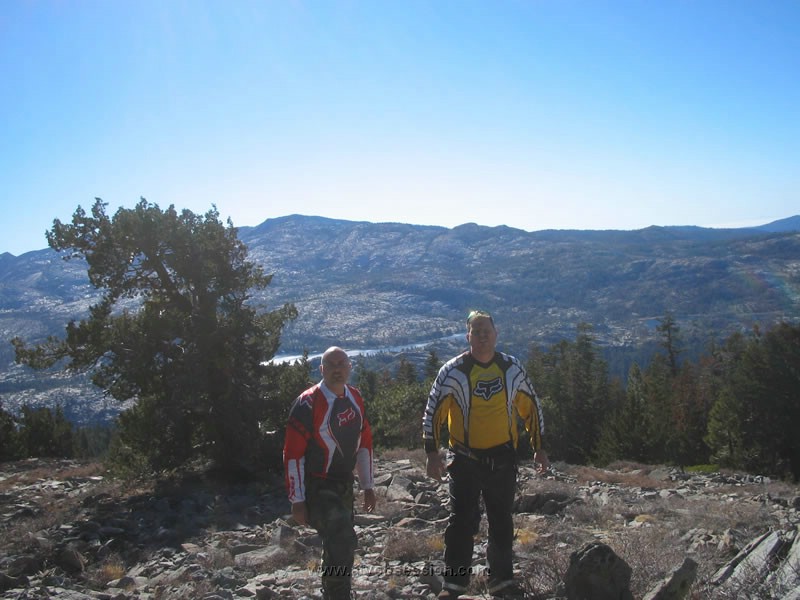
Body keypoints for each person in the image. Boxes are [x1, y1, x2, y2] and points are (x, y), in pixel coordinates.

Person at [423, 310, 549, 600]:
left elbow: (531, 408)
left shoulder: (511, 369)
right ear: (467, 336)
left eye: (486, 330)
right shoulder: (453, 371)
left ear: (496, 334)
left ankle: (501, 582)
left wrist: (539, 448)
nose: (482, 336)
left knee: (501, 520)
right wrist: (432, 454)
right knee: (461, 522)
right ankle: (453, 585)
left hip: (503, 459)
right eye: (476, 331)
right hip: (464, 459)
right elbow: (433, 414)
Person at [284, 346, 377, 600]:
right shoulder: (307, 403)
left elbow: (364, 443)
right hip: (318, 485)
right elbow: (293, 455)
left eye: (342, 363)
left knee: (338, 541)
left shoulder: (355, 398)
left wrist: (368, 487)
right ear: (322, 369)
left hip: (344, 484)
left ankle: (334, 590)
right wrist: (297, 501)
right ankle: (338, 595)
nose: (338, 369)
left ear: (349, 367)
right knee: (342, 538)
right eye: (331, 364)